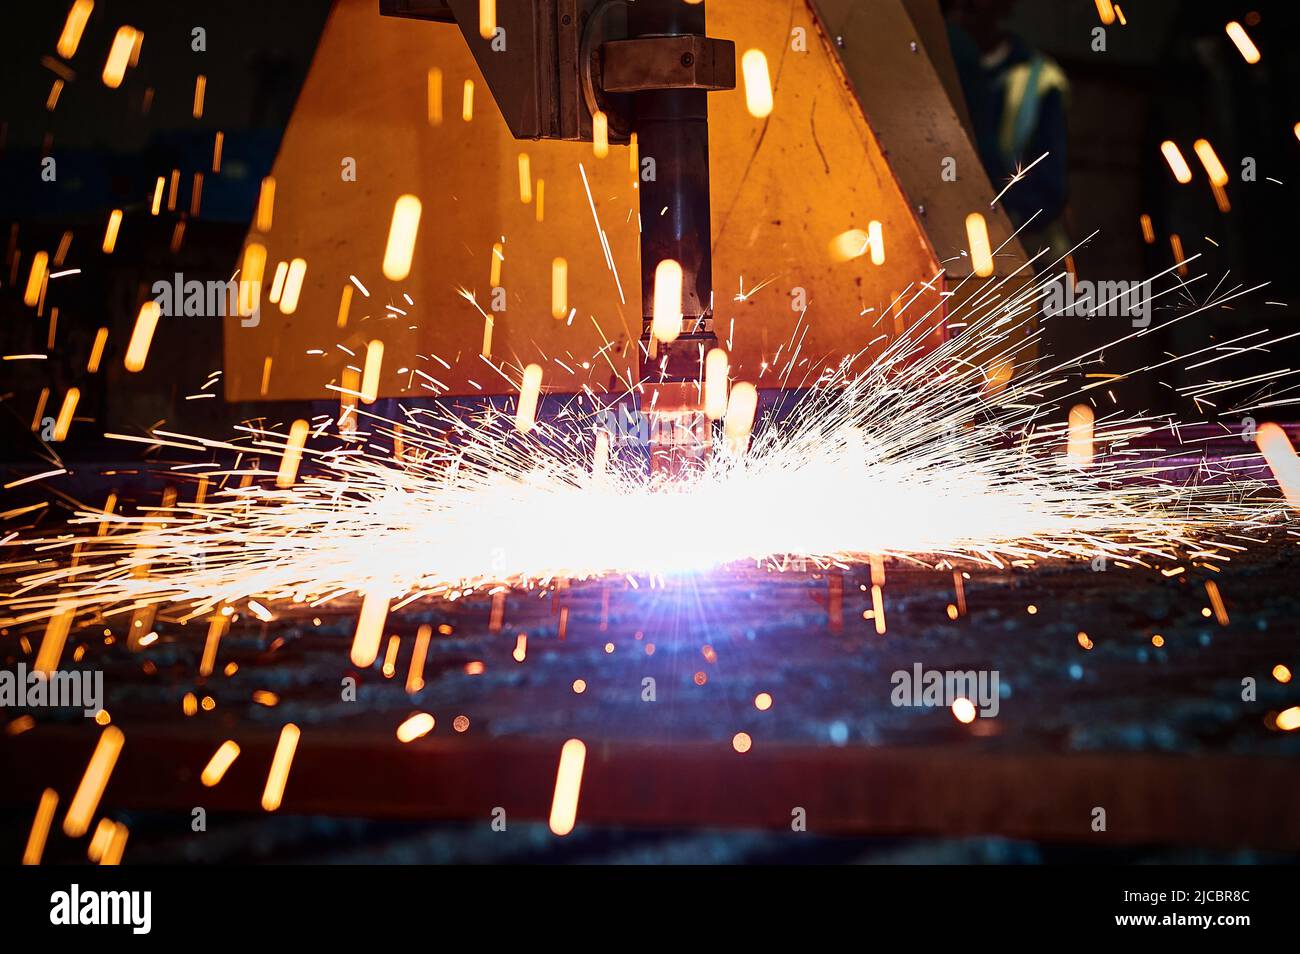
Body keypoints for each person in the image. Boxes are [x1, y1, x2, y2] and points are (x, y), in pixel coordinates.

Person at [944, 0, 1070, 257]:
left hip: (1023, 241)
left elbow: (1049, 188)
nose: (961, 11)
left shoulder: (1041, 81)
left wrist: (1002, 215)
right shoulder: (936, 61)